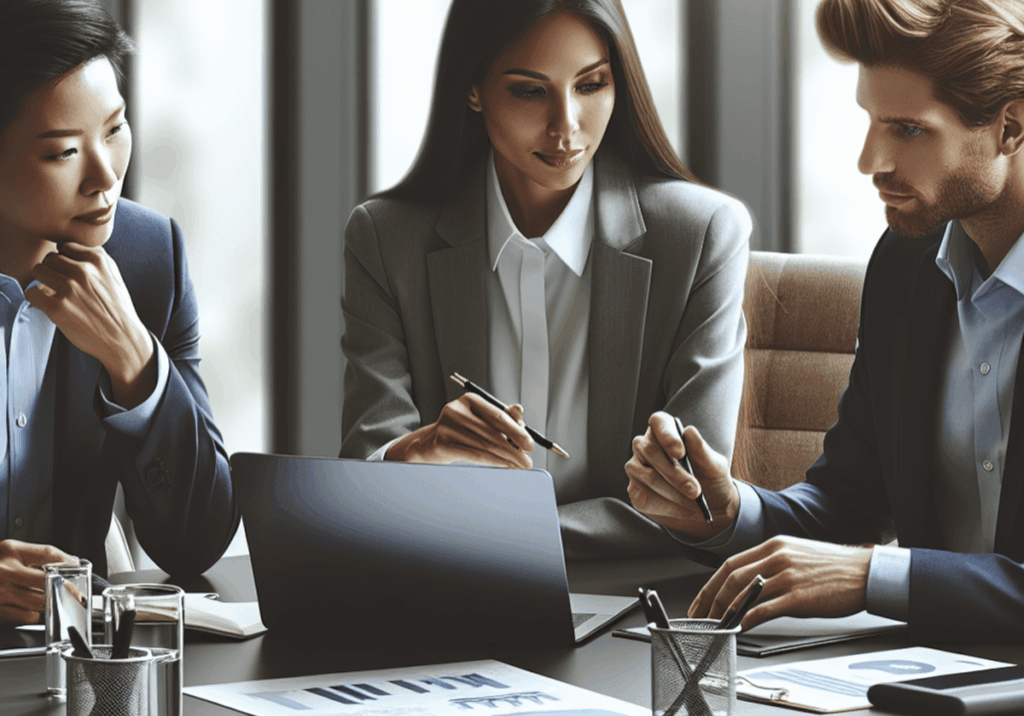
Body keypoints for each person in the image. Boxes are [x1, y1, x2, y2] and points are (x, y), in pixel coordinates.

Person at [627, 0, 1024, 642]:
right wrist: (729, 512)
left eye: (909, 130)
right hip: (926, 678)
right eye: (871, 122)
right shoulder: (906, 265)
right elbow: (848, 504)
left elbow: (857, 565)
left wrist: (872, 576)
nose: (871, 161)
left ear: (1009, 127)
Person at [340, 0, 751, 557]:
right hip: (444, 592)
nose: (567, 126)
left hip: (630, 598)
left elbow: (688, 501)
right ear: (473, 88)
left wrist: (493, 530)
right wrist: (414, 453)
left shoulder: (701, 236)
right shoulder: (386, 239)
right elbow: (364, 468)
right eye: (530, 91)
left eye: (591, 84)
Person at [0, 0, 238, 624]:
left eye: (114, 129)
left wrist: (133, 357)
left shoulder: (147, 258)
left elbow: (198, 539)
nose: (105, 177)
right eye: (62, 152)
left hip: (74, 668)